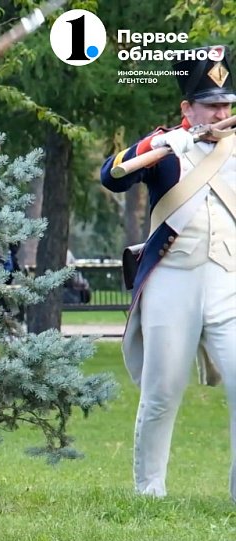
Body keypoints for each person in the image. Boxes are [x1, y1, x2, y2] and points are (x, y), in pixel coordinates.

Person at [99, 45, 236, 501]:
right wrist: (160, 144)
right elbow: (112, 176)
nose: (222, 111)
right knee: (161, 393)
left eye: (226, 103)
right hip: (172, 280)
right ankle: (150, 491)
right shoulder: (166, 148)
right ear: (187, 108)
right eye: (212, 103)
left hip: (227, 282)